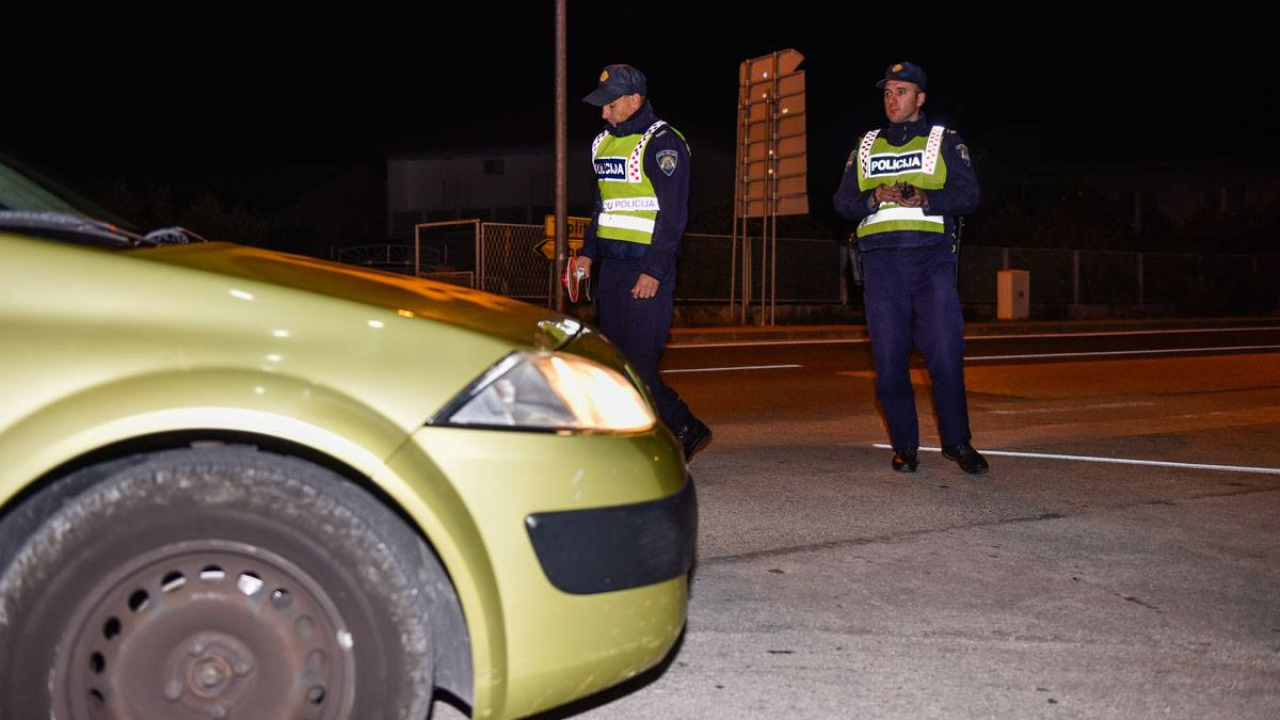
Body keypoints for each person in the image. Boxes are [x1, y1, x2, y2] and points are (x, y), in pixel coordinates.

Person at [833, 61, 988, 475]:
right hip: (881, 268)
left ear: (920, 98)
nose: (892, 99)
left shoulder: (944, 140)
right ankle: (905, 447)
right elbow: (842, 203)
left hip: (931, 262)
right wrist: (872, 198)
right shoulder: (865, 145)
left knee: (945, 356)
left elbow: (968, 195)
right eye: (887, 92)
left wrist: (925, 197)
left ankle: (957, 443)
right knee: (888, 362)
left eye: (901, 92)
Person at [577, 63, 712, 461]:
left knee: (638, 366)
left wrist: (654, 271)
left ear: (635, 100)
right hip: (612, 270)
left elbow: (673, 218)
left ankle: (684, 426)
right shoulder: (602, 143)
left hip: (647, 270)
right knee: (616, 364)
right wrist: (588, 252)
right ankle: (640, 438)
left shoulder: (663, 142)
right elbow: (601, 205)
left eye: (611, 104)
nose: (604, 112)